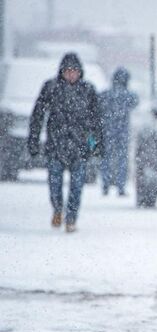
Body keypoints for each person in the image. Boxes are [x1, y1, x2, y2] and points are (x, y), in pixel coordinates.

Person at [28, 52, 103, 233]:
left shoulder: (88, 90)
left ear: (80, 72)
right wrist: (34, 140)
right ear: (61, 71)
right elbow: (38, 115)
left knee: (77, 186)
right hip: (55, 144)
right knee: (55, 184)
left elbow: (97, 121)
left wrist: (98, 145)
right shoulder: (51, 88)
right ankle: (57, 209)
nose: (71, 74)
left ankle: (71, 218)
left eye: (74, 71)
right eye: (67, 71)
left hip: (80, 146)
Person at [99, 67, 139, 196]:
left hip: (107, 131)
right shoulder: (129, 96)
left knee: (106, 158)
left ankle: (105, 184)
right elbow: (135, 102)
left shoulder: (105, 94)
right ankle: (120, 186)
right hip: (122, 131)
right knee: (122, 159)